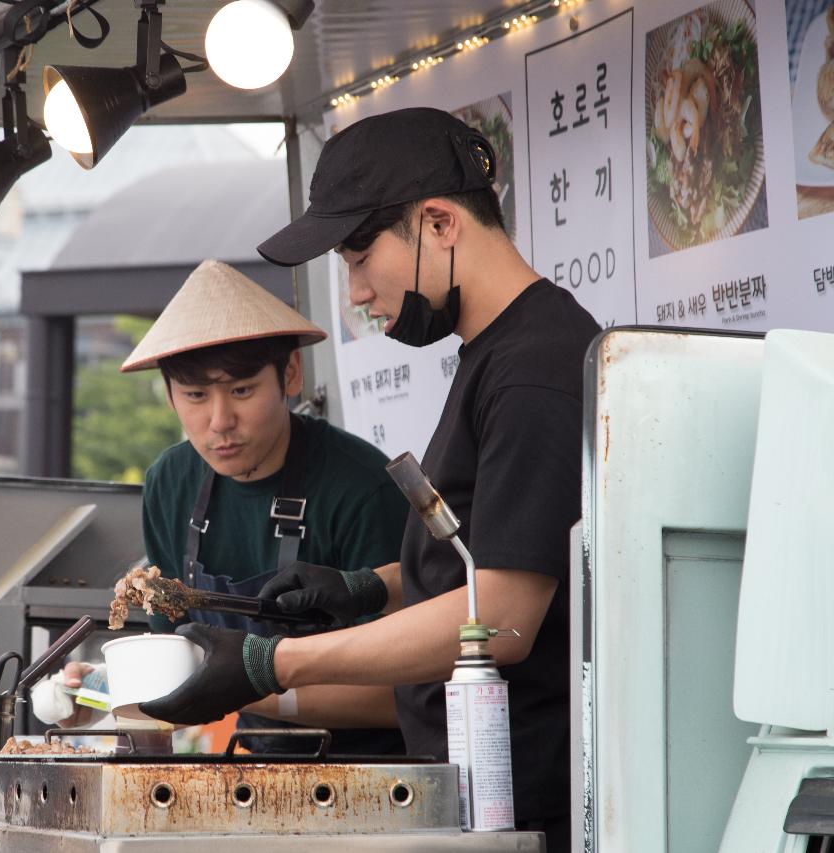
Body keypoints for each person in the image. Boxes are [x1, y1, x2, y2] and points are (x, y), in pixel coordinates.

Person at [137, 109, 600, 852]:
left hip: (522, 808)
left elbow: (507, 615)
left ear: (441, 222)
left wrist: (270, 661)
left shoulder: (534, 369)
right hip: (469, 790)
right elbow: (482, 556)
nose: (354, 292)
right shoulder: (494, 354)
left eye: (358, 257)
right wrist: (369, 586)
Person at [40, 259, 408, 756]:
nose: (220, 422)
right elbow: (178, 658)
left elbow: (408, 691)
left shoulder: (363, 488)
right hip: (248, 765)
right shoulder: (171, 483)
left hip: (372, 772)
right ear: (170, 396)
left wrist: (251, 682)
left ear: (291, 374)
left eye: (242, 390)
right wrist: (105, 691)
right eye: (195, 395)